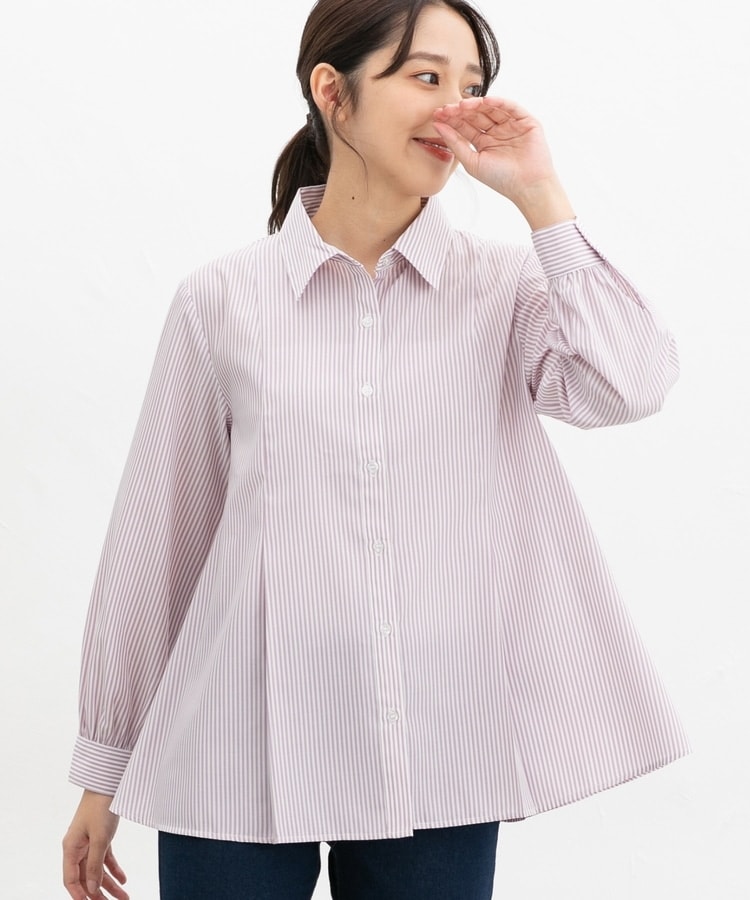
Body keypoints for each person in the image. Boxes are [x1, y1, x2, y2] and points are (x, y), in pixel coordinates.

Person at [62, 0, 690, 897]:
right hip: (235, 744)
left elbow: (629, 385)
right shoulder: (221, 301)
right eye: (426, 77)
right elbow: (159, 542)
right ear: (333, 91)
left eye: (471, 84)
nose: (454, 107)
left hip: (441, 746)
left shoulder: (505, 287)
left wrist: (541, 197)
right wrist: (104, 771)